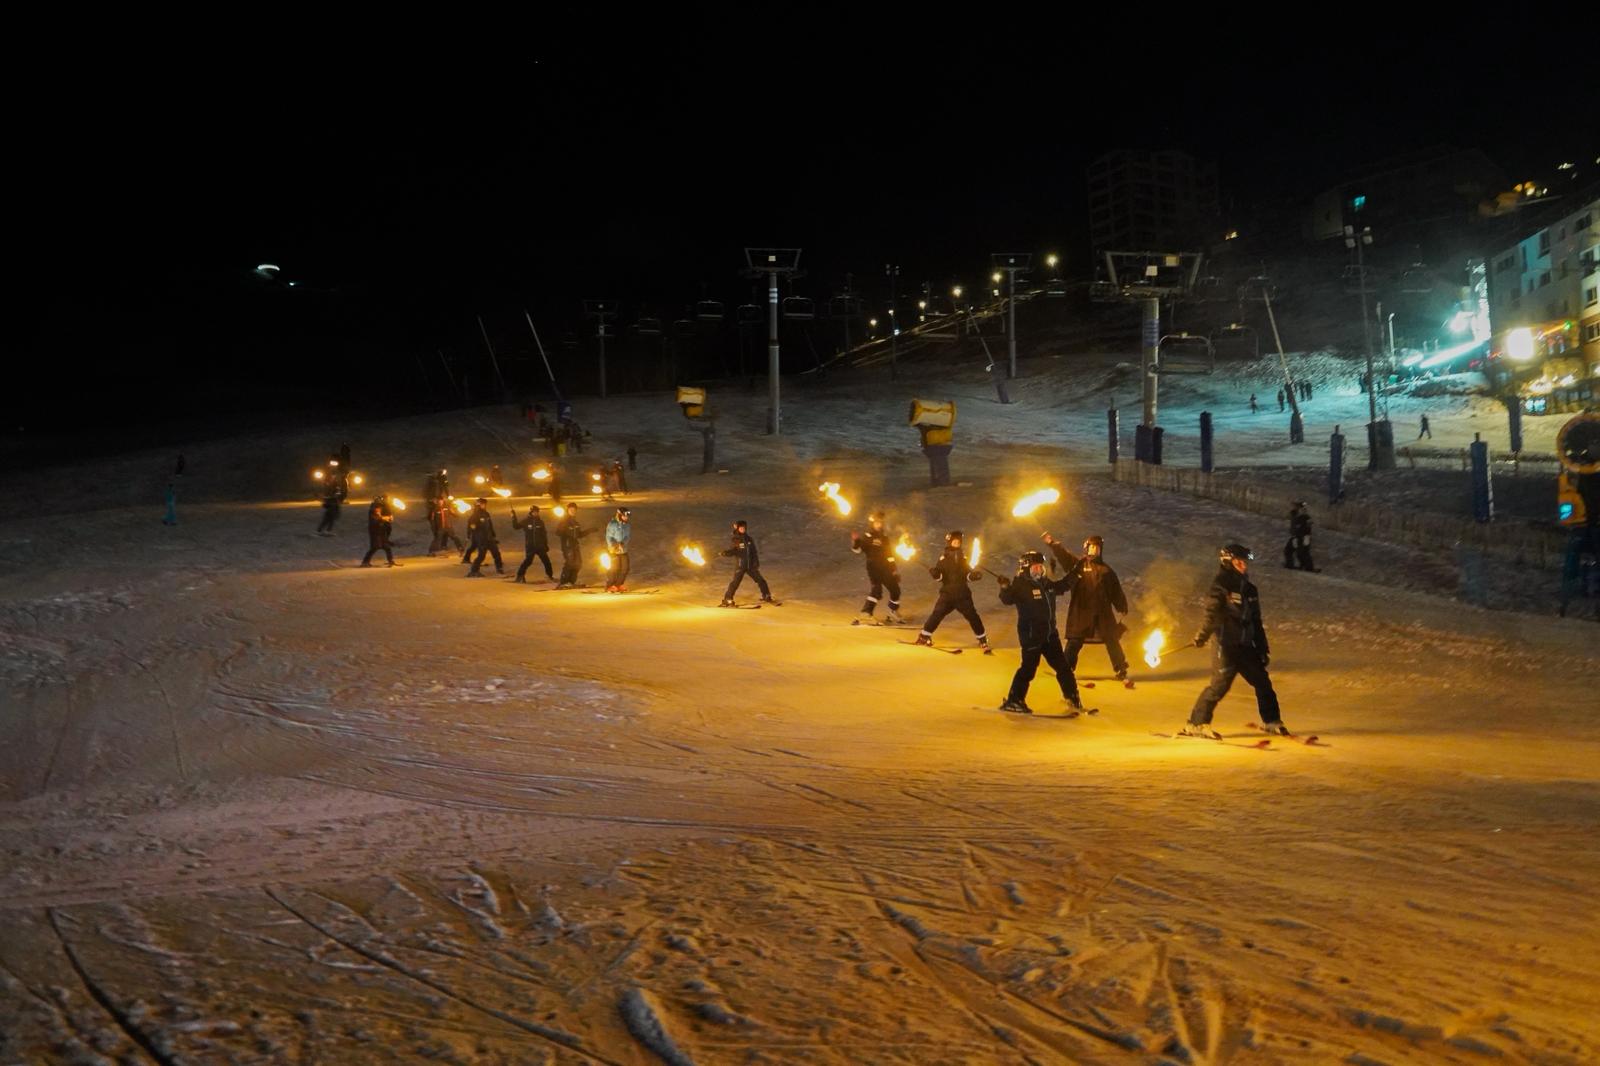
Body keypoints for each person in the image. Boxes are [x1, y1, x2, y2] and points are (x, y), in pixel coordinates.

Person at [1181, 543, 1289, 738]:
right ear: (1228, 562)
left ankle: (1271, 721)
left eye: (1245, 562)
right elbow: (1212, 614)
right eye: (1239, 562)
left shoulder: (1250, 589)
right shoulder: (1221, 585)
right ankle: (1196, 724)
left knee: (1263, 682)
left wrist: (1262, 648)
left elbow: (1256, 621)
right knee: (1219, 687)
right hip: (1225, 645)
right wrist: (1202, 636)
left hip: (1245, 646)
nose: (1244, 566)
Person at [996, 550, 1081, 713]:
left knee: (1063, 668)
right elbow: (1008, 599)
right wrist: (1005, 587)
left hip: (1050, 635)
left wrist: (1076, 572)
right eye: (1035, 568)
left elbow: (1062, 586)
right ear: (1026, 568)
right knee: (1028, 669)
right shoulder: (1020, 585)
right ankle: (1014, 700)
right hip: (1032, 635)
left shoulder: (1046, 584)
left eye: (1040, 567)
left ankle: (1072, 698)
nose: (1039, 571)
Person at [1044, 533, 1130, 681]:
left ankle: (1121, 668)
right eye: (1092, 547)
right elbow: (1064, 556)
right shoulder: (1078, 565)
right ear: (1086, 548)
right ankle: (1066, 668)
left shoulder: (1107, 571)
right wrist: (1053, 544)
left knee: (1112, 639)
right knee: (1075, 641)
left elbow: (1115, 591)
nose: (1094, 550)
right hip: (1081, 611)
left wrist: (1121, 605)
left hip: (1103, 614)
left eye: (1097, 548)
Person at [914, 530, 990, 651]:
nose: (956, 543)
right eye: (954, 541)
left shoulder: (963, 559)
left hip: (962, 595)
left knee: (973, 616)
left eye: (958, 542)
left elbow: (967, 575)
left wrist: (973, 576)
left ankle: (982, 640)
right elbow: (941, 578)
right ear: (949, 542)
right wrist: (936, 574)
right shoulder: (943, 559)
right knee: (937, 614)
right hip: (947, 594)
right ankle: (924, 636)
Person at [851, 513, 904, 623]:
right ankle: (866, 613)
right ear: (872, 524)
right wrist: (856, 542)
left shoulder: (884, 538)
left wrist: (894, 569)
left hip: (886, 568)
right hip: (873, 567)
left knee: (895, 589)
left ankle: (892, 611)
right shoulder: (868, 536)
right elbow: (858, 550)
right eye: (877, 523)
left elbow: (889, 555)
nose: (879, 525)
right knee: (877, 591)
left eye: (880, 523)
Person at [720, 519, 774, 605]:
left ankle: (766, 595)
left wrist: (756, 562)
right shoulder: (735, 539)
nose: (743, 529)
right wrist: (726, 553)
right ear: (737, 529)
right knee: (735, 583)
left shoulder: (749, 539)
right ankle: (728, 599)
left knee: (761, 580)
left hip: (750, 566)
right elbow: (733, 551)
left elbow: (754, 552)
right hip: (740, 566)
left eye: (744, 528)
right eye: (741, 528)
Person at [511, 504, 552, 582]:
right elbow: (516, 526)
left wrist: (545, 544)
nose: (535, 513)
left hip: (540, 546)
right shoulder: (526, 521)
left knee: (546, 561)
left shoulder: (540, 522)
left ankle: (549, 575)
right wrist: (513, 517)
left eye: (536, 512)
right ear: (531, 512)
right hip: (530, 546)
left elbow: (544, 534)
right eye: (534, 512)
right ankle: (520, 576)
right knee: (528, 561)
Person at [465, 498, 503, 577]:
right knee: (481, 556)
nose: (484, 505)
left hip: (489, 538)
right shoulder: (475, 515)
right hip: (481, 539)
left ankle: (499, 568)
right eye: (483, 504)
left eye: (485, 504)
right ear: (479, 505)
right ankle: (474, 571)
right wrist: (474, 534)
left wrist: (493, 534)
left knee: (496, 553)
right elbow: (472, 527)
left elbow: (490, 524)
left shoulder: (486, 513)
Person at [360, 496, 400, 567]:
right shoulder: (373, 510)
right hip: (375, 531)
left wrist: (389, 517)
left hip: (382, 530)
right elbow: (378, 518)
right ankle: (365, 562)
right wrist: (385, 518)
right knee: (375, 547)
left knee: (386, 546)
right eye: (378, 507)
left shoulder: (382, 508)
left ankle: (391, 561)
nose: (378, 508)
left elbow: (387, 517)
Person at [556, 504, 586, 587]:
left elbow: (579, 535)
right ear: (567, 511)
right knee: (570, 563)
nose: (573, 511)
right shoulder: (564, 521)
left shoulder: (575, 522)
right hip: (567, 546)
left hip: (575, 545)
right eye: (571, 510)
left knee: (578, 563)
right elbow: (558, 532)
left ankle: (571, 581)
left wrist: (589, 531)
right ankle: (563, 581)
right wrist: (563, 531)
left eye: (574, 510)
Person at [604, 507, 632, 592]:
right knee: (614, 569)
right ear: (619, 515)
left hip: (623, 550)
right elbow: (609, 537)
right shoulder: (612, 524)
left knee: (625, 568)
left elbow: (627, 537)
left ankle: (618, 584)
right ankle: (610, 585)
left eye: (627, 516)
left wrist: (623, 543)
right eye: (624, 516)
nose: (626, 518)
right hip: (614, 551)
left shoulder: (627, 525)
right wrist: (615, 545)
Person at [1283, 501, 1317, 571]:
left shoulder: (1305, 517)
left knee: (1302, 552)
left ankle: (1308, 567)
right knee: (1289, 550)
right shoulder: (1294, 515)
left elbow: (1309, 526)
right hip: (1295, 536)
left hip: (1303, 537)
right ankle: (1290, 564)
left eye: (1296, 506)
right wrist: (1294, 536)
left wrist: (1307, 537)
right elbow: (1293, 525)